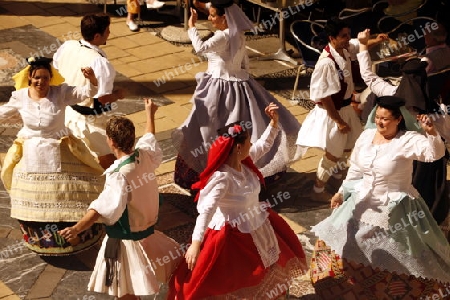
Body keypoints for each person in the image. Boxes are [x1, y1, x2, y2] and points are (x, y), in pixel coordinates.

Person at [310, 95, 450, 299]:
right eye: (377, 117)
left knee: (400, 255)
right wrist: (341, 192)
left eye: (385, 119)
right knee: (342, 243)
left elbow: (433, 154)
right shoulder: (367, 137)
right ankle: (350, 290)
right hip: (361, 200)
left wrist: (431, 134)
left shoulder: (407, 140)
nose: (379, 122)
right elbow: (356, 169)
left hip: (396, 207)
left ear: (398, 119)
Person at [168, 103, 307, 299]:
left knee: (268, 270)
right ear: (238, 147)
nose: (252, 145)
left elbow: (264, 145)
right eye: (248, 141)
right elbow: (206, 211)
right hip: (234, 236)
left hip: (258, 226)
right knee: (239, 279)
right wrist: (196, 244)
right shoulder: (222, 178)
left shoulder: (245, 161)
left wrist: (274, 123)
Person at [59, 99, 181, 299]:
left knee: (125, 293)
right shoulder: (145, 156)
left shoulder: (119, 175)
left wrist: (76, 229)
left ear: (111, 142)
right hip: (148, 236)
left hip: (126, 243)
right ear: (132, 139)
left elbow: (102, 208)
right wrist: (149, 113)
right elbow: (149, 136)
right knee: (133, 289)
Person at [172, 0, 301, 190]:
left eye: (213, 15)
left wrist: (192, 27)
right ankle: (239, 168)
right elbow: (244, 62)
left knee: (207, 127)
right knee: (244, 123)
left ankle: (210, 170)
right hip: (239, 83)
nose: (210, 18)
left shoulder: (222, 36)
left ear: (225, 17)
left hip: (219, 86)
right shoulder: (238, 34)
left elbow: (200, 48)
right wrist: (246, 81)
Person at [0, 56, 105, 255]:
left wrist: (91, 79)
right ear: (30, 77)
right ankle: (40, 239)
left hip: (60, 146)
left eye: (46, 77)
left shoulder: (61, 92)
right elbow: (3, 112)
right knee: (28, 194)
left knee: (73, 190)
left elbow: (86, 93)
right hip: (31, 151)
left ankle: (76, 233)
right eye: (37, 78)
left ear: (51, 77)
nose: (41, 82)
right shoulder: (20, 97)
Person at [357, 28, 449, 227]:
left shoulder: (391, 94)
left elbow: (368, 76)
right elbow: (446, 136)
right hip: (429, 162)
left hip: (400, 160)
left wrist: (363, 45)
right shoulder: (436, 109)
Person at [295, 18, 387, 195]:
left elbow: (358, 44)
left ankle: (336, 173)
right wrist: (338, 121)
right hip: (333, 113)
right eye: (343, 36)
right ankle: (317, 189)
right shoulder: (327, 63)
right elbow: (324, 97)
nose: (348, 38)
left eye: (348, 34)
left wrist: (377, 40)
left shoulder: (344, 49)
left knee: (351, 143)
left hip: (345, 109)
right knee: (333, 154)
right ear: (332, 38)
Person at [53, 13, 124, 169]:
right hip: (89, 120)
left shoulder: (67, 46)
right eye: (107, 30)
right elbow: (103, 99)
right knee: (110, 159)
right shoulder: (99, 62)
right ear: (97, 36)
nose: (109, 33)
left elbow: (56, 69)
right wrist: (118, 95)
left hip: (65, 112)